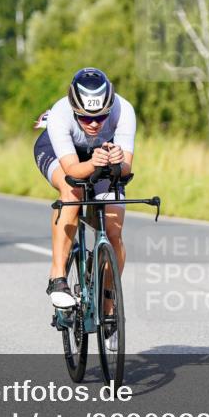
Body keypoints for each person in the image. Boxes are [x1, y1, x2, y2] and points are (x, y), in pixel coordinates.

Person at [33, 68, 135, 350]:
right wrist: (96, 163)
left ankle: (109, 307)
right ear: (74, 108)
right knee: (72, 191)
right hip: (61, 154)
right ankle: (57, 278)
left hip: (100, 155)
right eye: (86, 117)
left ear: (110, 107)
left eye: (100, 117)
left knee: (114, 230)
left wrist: (116, 161)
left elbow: (126, 168)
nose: (93, 123)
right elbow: (73, 170)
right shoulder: (60, 114)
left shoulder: (124, 110)